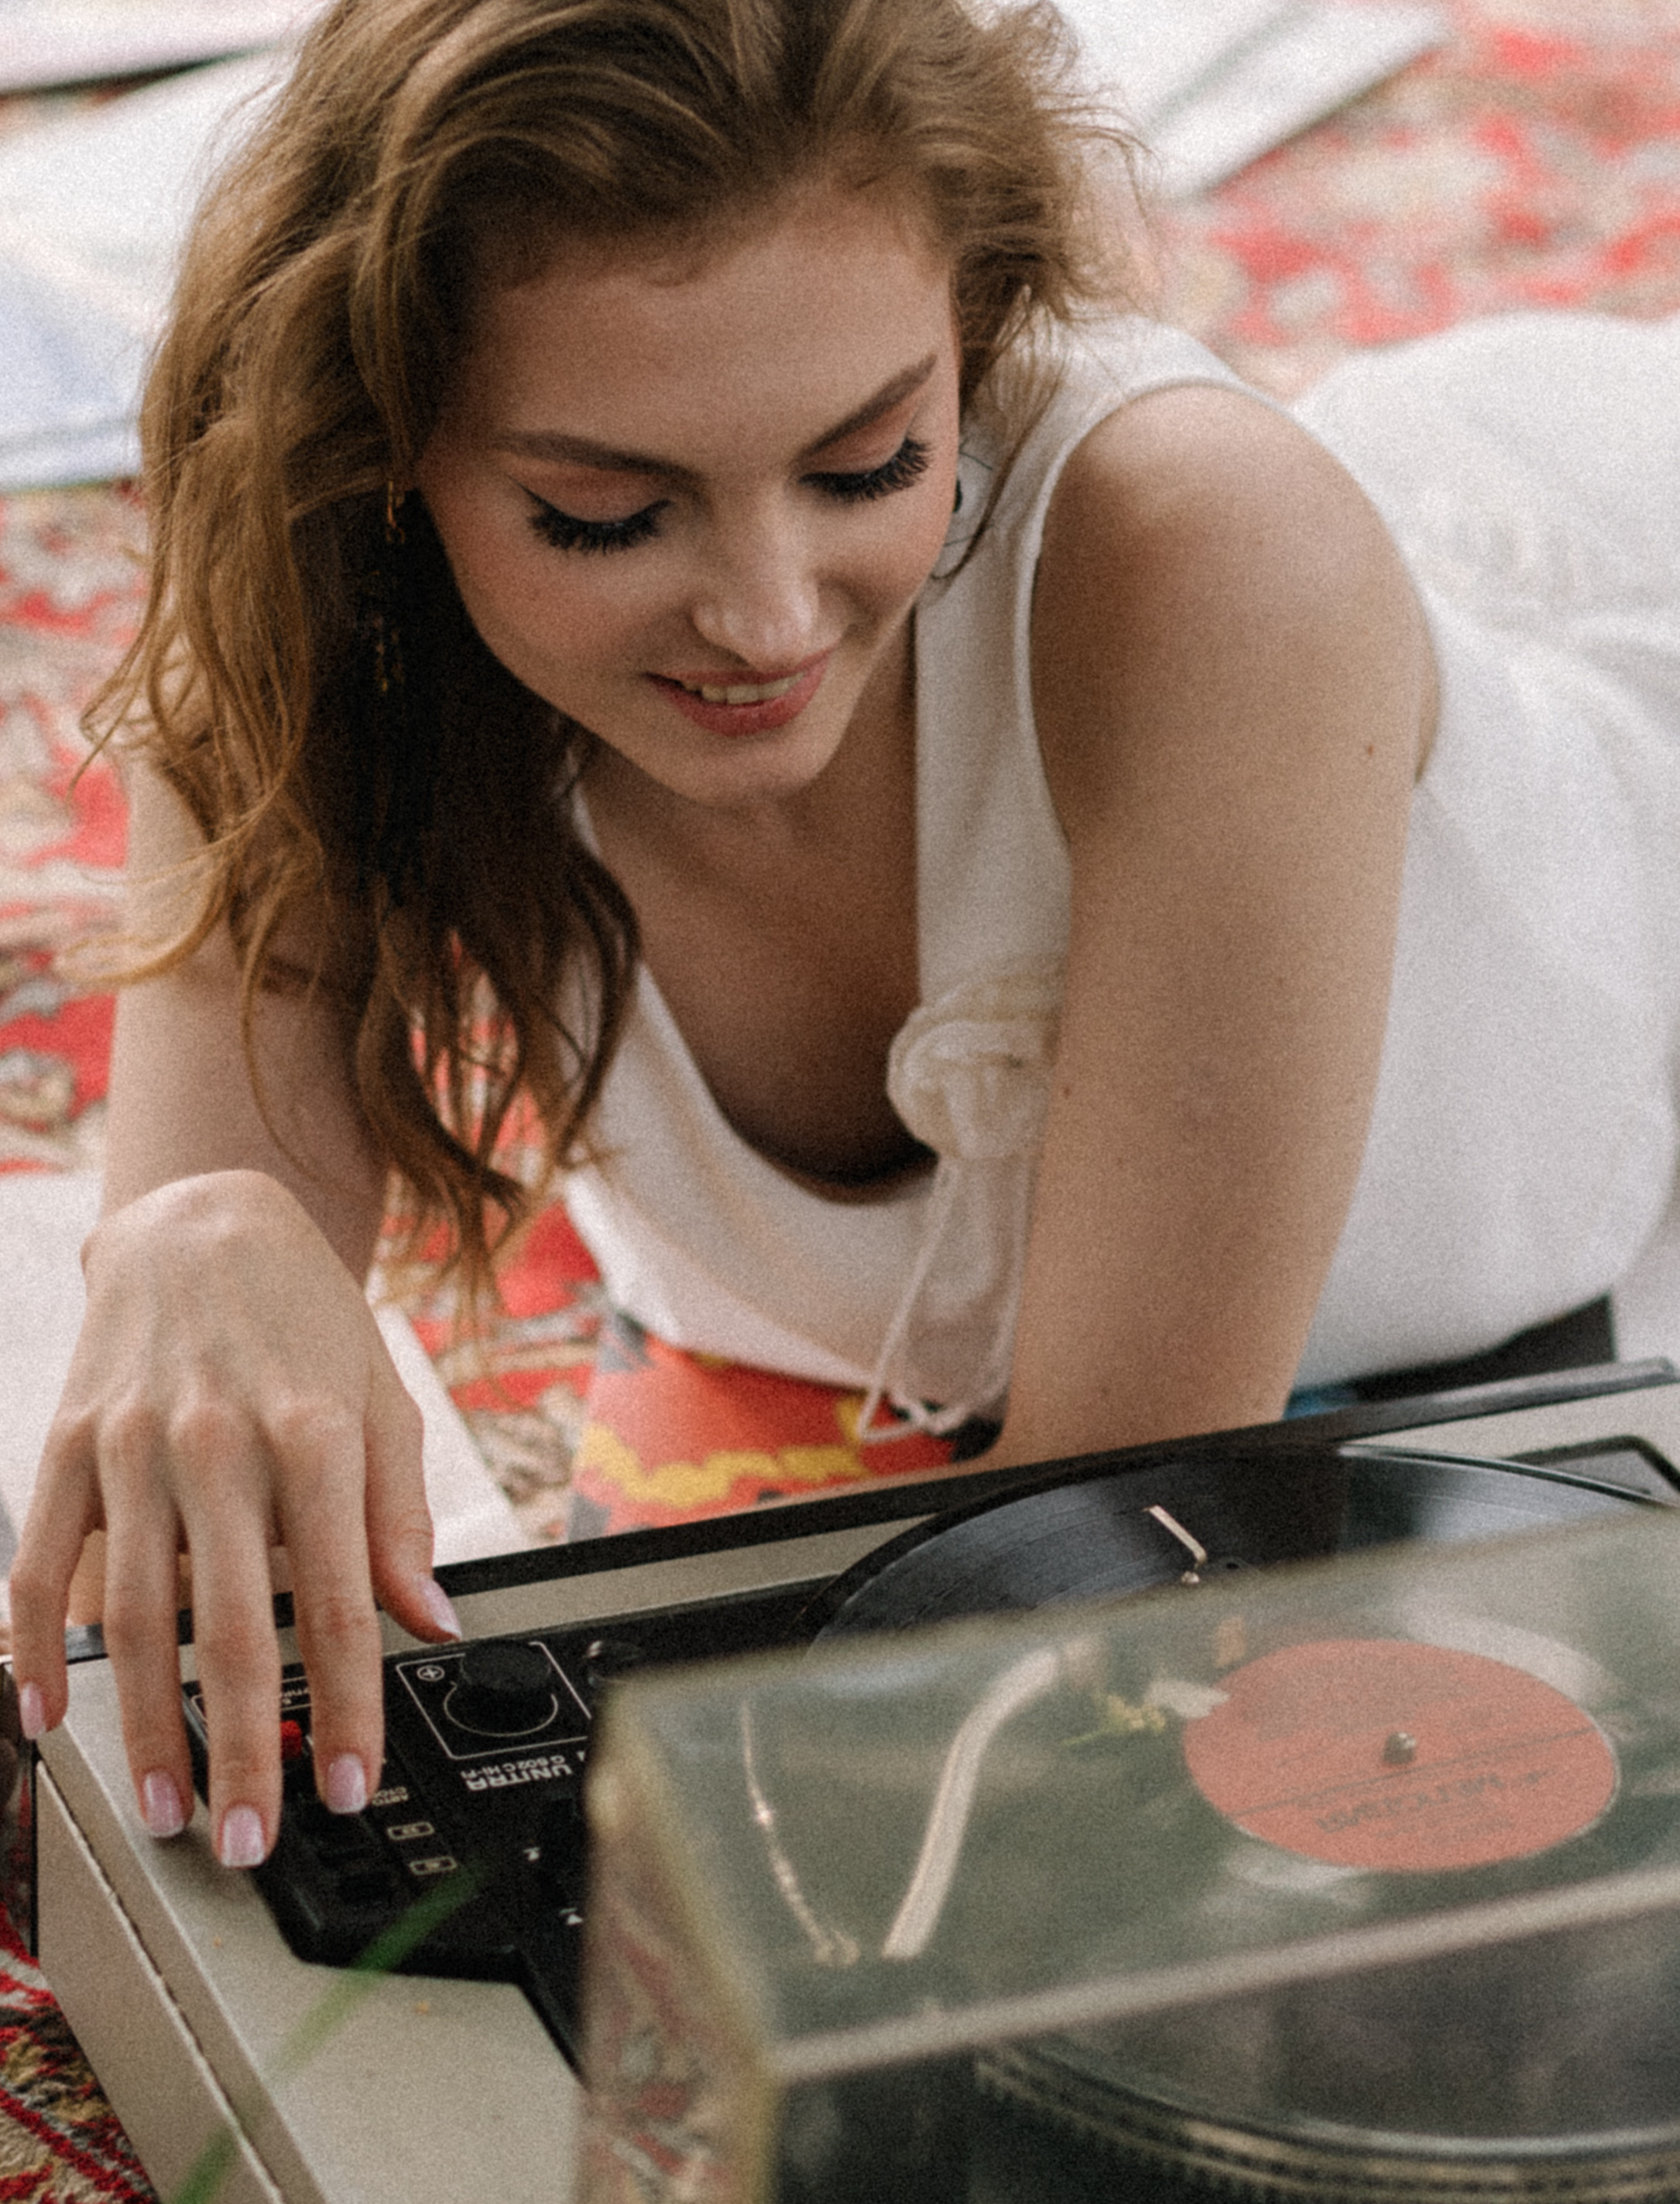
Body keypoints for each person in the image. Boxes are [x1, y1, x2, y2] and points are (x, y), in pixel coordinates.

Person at [10, 0, 1680, 1870]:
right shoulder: (317, 610)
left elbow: (1088, 1573)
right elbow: (191, 1456)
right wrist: (189, 1230)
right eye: (605, 511)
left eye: (869, 463)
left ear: (970, 339)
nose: (765, 614)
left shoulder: (1208, 571)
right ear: (386, 459)